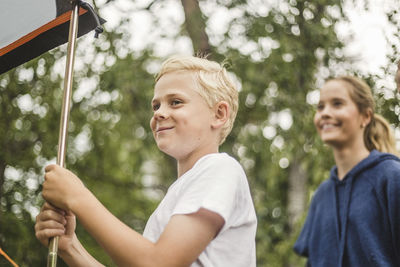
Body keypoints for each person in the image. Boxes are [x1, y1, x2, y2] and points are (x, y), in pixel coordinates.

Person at [35, 55, 257, 266]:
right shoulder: (178, 196)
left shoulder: (220, 169)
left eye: (176, 102)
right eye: (156, 106)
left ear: (219, 114)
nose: (160, 113)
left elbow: (159, 263)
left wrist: (77, 197)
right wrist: (71, 248)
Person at [294, 76, 400, 266]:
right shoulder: (321, 196)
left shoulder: (391, 176)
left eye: (337, 104)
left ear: (365, 116)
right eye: (320, 107)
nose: (325, 113)